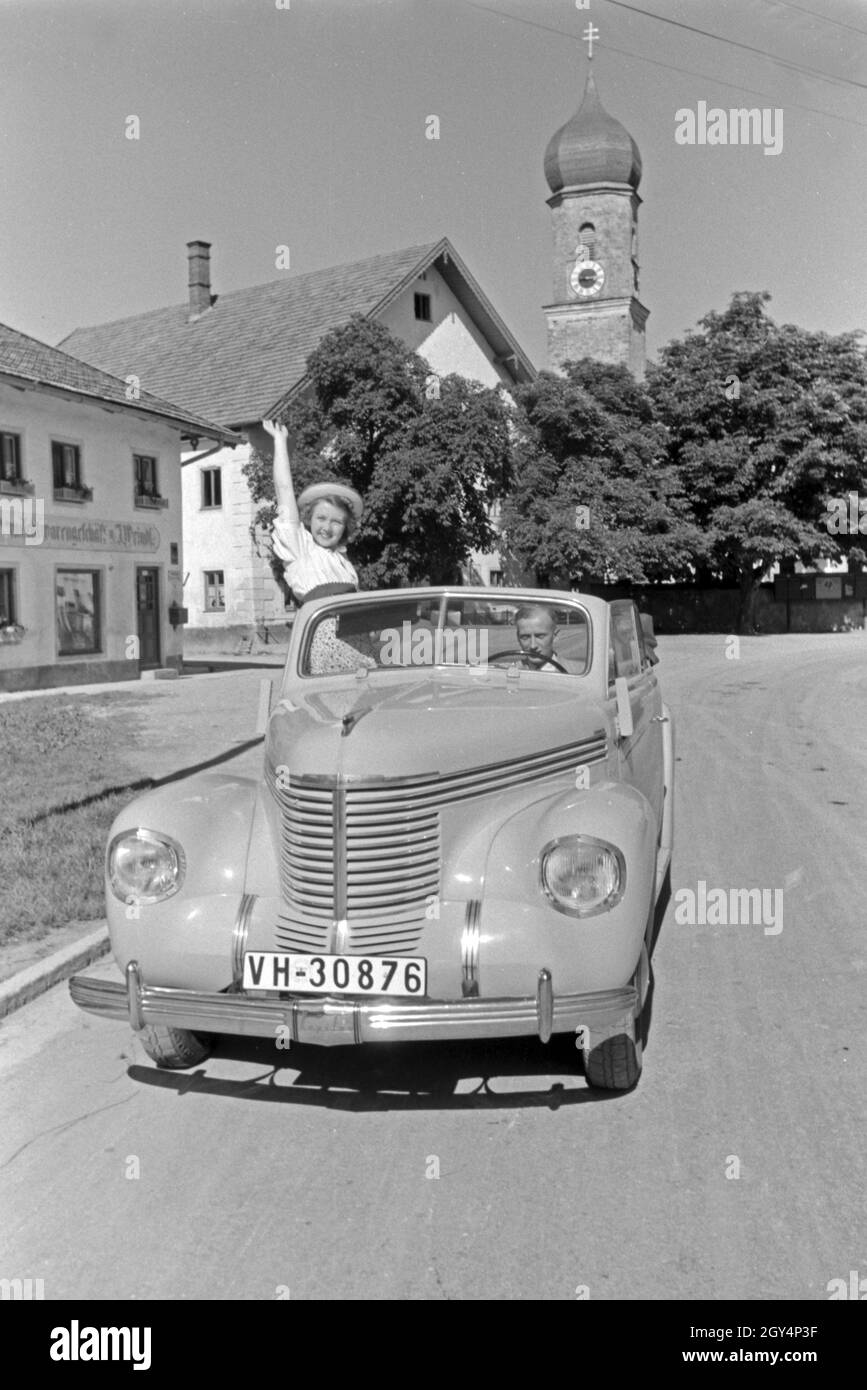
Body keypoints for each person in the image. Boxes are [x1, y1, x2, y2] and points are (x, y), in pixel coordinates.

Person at [262, 418, 374, 674]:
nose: (327, 527)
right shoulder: (300, 550)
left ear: (345, 528)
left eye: (336, 522)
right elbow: (284, 491)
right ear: (309, 520)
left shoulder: (343, 562)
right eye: (321, 518)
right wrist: (280, 443)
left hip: (359, 645)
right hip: (324, 642)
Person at [514, 605, 578, 672]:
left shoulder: (576, 672)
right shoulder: (506, 671)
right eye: (525, 637)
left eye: (540, 636)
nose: (533, 646)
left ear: (555, 636)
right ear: (518, 638)